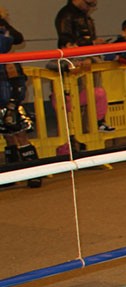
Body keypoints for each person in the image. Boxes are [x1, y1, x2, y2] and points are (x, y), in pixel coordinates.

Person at [0, 6, 41, 188]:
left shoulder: (8, 59)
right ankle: (11, 172)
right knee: (7, 136)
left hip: (10, 100)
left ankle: (34, 172)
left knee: (20, 133)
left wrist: (13, 104)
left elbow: (18, 83)